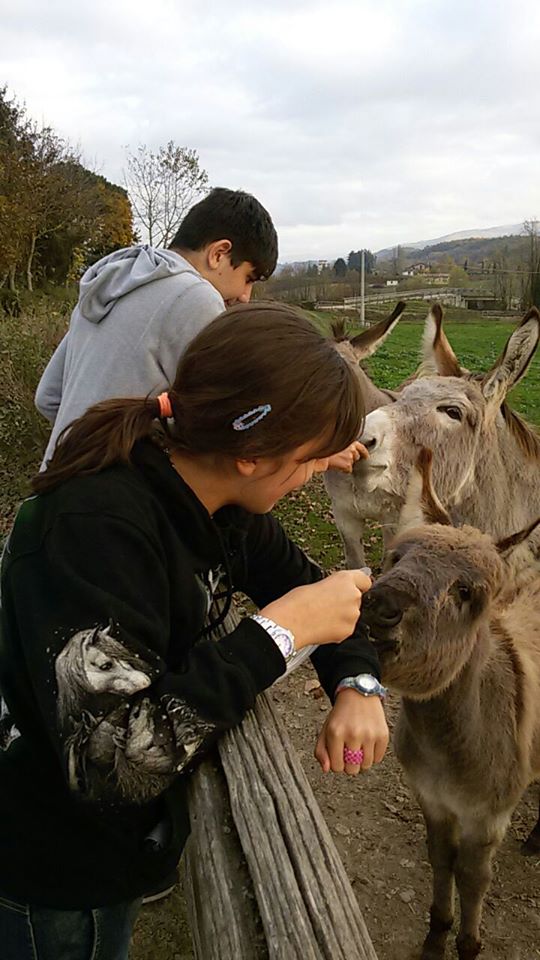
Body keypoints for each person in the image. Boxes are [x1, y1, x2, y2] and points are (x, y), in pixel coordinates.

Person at [0, 303, 388, 959]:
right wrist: (277, 634)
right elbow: (112, 763)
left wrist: (358, 682)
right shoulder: (97, 528)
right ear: (253, 454)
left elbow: (326, 592)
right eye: (313, 453)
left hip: (117, 851)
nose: (322, 467)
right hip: (55, 873)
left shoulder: (220, 504)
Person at [35, 186, 365, 475]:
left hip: (55, 484)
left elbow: (48, 397)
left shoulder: (111, 284)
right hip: (110, 505)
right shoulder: (193, 294)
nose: (245, 297)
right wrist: (314, 450)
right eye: (249, 278)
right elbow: (230, 418)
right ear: (219, 253)